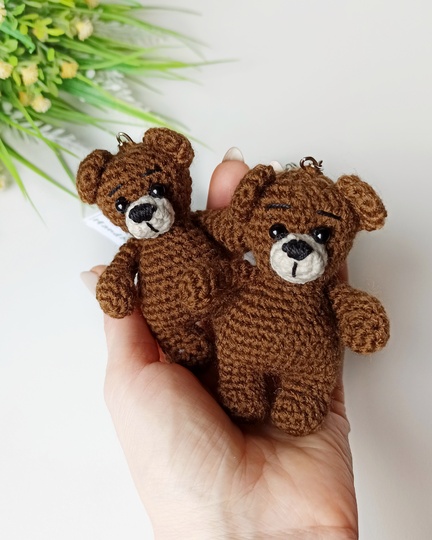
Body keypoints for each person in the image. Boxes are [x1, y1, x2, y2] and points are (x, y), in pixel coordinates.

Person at [81, 149, 358, 539]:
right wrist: (116, 285)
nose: (143, 209)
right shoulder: (138, 250)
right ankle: (236, 384)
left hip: (280, 348)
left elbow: (232, 233)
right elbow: (222, 268)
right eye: (125, 204)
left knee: (298, 383)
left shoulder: (203, 227)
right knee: (231, 369)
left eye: (157, 190)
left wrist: (360, 318)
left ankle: (301, 394)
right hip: (201, 332)